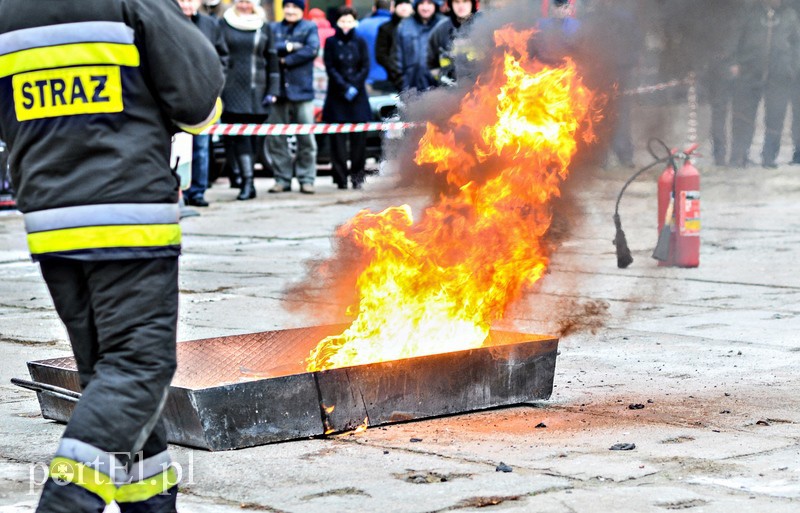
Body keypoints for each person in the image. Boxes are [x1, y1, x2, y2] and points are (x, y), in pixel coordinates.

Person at [0, 0, 224, 511]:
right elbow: (198, 98)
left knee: (111, 378)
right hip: (128, 214)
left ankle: (151, 505)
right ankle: (65, 503)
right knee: (138, 368)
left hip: (50, 217)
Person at [220, 0, 279, 200]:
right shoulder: (224, 23)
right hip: (231, 88)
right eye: (240, 1)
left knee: (253, 139)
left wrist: (273, 89)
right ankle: (246, 182)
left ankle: (245, 177)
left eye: (248, 2)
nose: (244, 5)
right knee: (239, 137)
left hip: (258, 89)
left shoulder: (264, 26)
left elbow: (272, 59)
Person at [730, 0, 800, 168]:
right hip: (750, 72)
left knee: (775, 117)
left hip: (779, 75)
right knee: (744, 116)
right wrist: (734, 61)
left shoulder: (790, 16)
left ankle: (769, 157)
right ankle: (740, 155)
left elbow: (796, 44)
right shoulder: (749, 13)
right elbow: (737, 39)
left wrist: (792, 67)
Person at [179, 0, 229, 207]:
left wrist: (216, 82)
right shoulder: (167, 21)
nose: (187, 5)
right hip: (175, 92)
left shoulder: (210, 24)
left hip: (204, 93)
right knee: (177, 147)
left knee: (201, 145)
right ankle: (180, 190)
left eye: (191, 0)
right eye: (182, 0)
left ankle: (198, 191)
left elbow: (223, 56)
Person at [268, 0, 321, 194]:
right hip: (277, 90)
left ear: (301, 10)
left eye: (295, 7)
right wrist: (292, 46)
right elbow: (270, 50)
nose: (290, 11)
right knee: (276, 137)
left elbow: (311, 50)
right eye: (287, 7)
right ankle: (281, 179)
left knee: (306, 138)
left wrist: (285, 58)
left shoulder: (309, 27)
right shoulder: (272, 27)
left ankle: (306, 179)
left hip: (302, 91)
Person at [323, 7, 374, 190]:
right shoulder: (330, 42)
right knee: (337, 142)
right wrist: (344, 86)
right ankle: (340, 178)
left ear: (354, 22)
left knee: (359, 142)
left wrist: (354, 85)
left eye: (349, 20)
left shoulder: (360, 41)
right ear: (337, 22)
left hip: (357, 96)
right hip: (337, 96)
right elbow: (330, 67)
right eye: (342, 21)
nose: (346, 24)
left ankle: (358, 177)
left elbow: (365, 66)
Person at [392, 0, 446, 92]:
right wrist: (402, 84)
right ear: (416, 5)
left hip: (440, 91)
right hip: (411, 90)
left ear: (436, 5)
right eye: (421, 3)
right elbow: (396, 59)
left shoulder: (444, 25)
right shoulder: (404, 26)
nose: (425, 8)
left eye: (429, 3)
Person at [426, 0, 479, 87]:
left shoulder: (484, 26)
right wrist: (444, 80)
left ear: (473, 4)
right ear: (450, 4)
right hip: (451, 93)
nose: (461, 6)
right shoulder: (440, 30)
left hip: (481, 91)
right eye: (457, 2)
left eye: (465, 1)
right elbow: (431, 63)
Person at [375, 0, 414, 92]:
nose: (404, 7)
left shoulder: (420, 27)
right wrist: (396, 72)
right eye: (400, 3)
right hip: (394, 80)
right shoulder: (385, 28)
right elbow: (381, 55)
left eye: (407, 3)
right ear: (394, 7)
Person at [356, 0, 393, 90]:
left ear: (374, 9)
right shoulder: (399, 25)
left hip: (367, 80)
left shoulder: (362, 25)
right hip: (393, 79)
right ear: (392, 9)